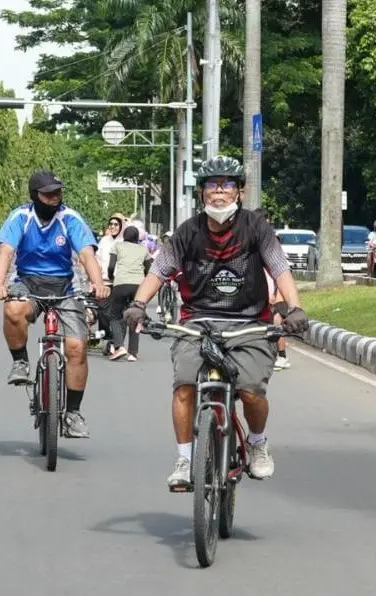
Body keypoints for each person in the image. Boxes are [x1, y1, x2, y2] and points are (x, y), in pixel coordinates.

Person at [122, 155, 309, 489]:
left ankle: (257, 442)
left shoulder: (256, 227)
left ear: (239, 191)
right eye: (212, 184)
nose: (219, 191)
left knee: (251, 391)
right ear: (202, 192)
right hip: (198, 321)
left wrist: (295, 308)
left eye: (227, 184)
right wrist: (138, 304)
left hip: (249, 323)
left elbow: (280, 268)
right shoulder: (188, 232)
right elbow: (159, 271)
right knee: (184, 385)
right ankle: (184, 459)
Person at [0, 169, 109, 439]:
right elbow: (6, 253)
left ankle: (73, 413)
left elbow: (86, 254)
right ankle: (20, 362)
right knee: (13, 309)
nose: (55, 197)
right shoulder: (21, 217)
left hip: (65, 286)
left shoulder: (70, 218)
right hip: (28, 282)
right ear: (35, 195)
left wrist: (98, 283)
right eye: (48, 194)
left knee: (77, 348)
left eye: (58, 192)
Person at [107, 225, 152, 361]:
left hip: (121, 284)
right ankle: (133, 353)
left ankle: (119, 346)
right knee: (135, 316)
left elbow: (111, 266)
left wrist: (111, 277)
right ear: (137, 238)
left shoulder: (117, 246)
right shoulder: (143, 249)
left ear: (124, 236)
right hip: (138, 286)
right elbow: (149, 269)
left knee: (115, 316)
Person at [254, 207, 290, 370]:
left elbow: (281, 272)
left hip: (277, 289)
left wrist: (276, 294)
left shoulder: (273, 242)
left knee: (276, 322)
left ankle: (282, 356)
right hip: (262, 289)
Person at [95, 215, 124, 353]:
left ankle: (117, 341)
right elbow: (97, 259)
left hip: (119, 282)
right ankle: (105, 336)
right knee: (102, 309)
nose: (113, 227)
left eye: (116, 224)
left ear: (121, 227)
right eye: (111, 224)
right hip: (105, 281)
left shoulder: (123, 242)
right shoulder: (103, 241)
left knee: (117, 312)